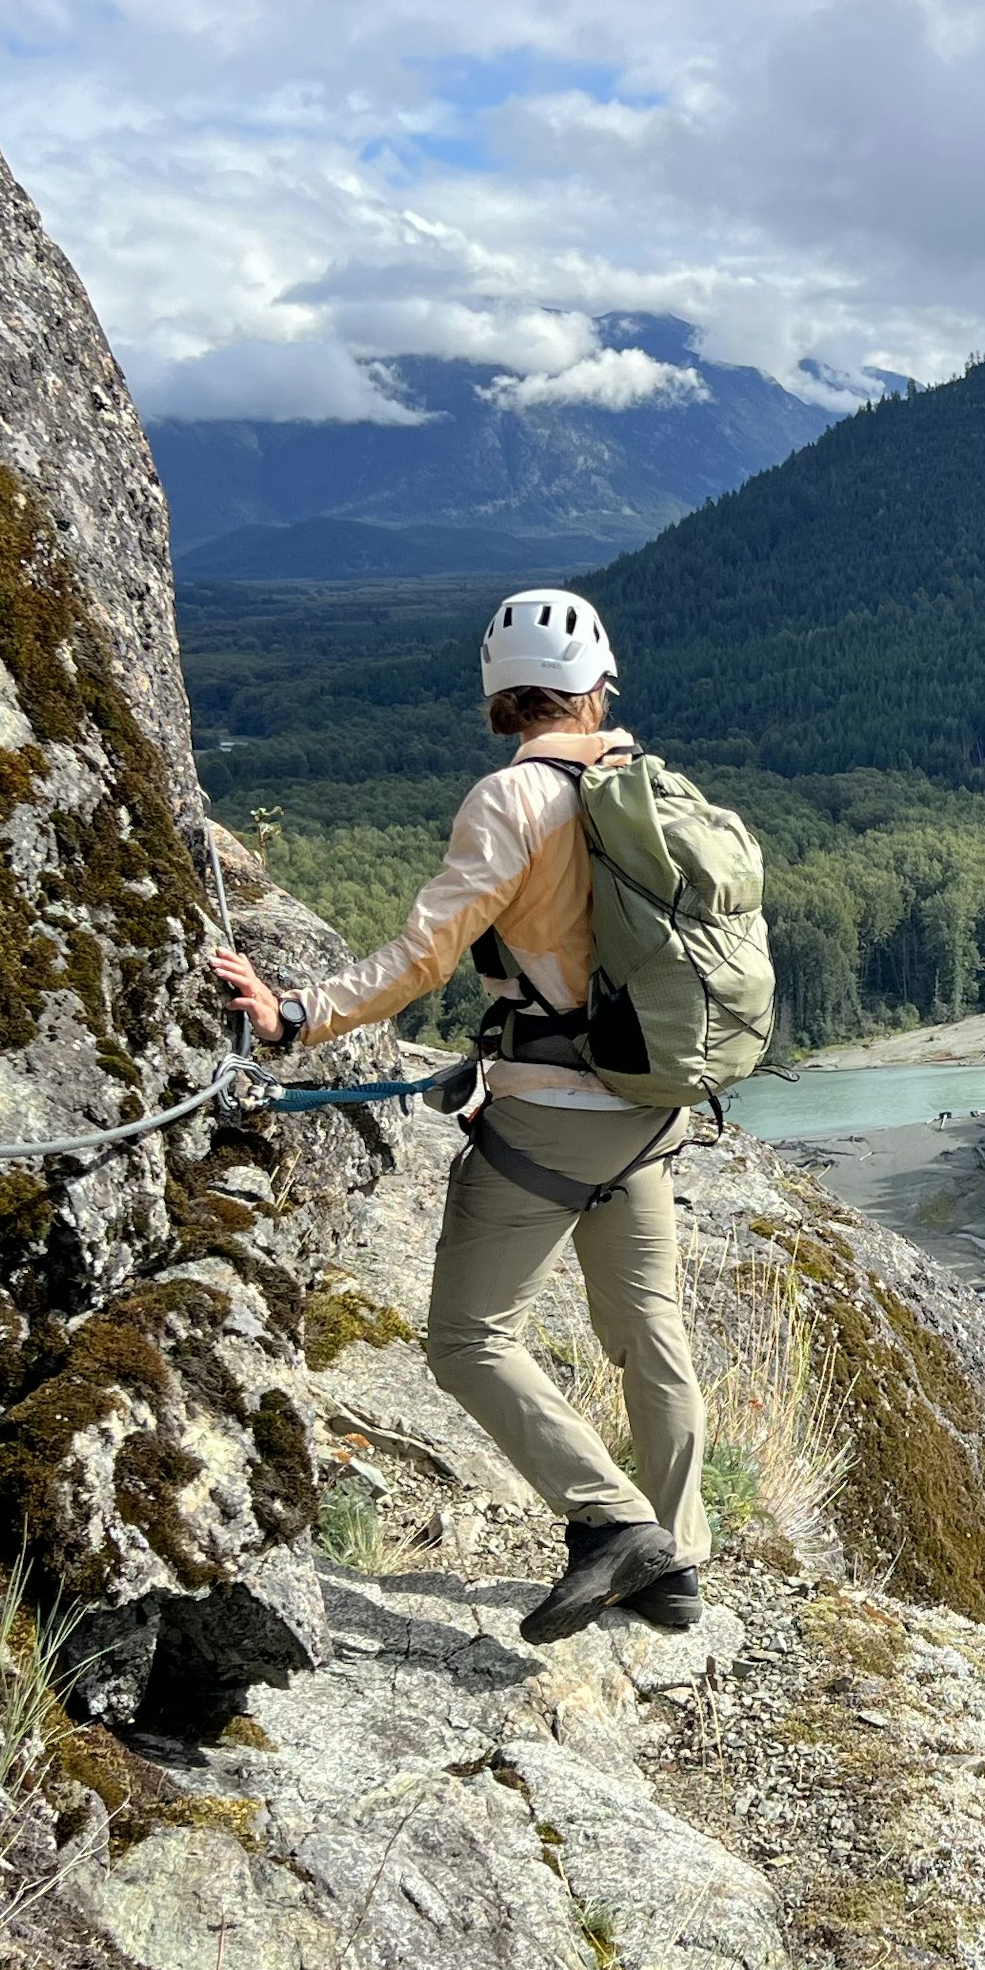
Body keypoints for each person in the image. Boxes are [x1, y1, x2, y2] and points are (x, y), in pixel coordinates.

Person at [208, 587, 706, 1645]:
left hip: (550, 1111)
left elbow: (427, 957)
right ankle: (678, 1559)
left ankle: (614, 1525)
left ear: (502, 692)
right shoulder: (651, 789)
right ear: (597, 684)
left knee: (468, 1338)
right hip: (652, 1108)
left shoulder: (512, 800)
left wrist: (295, 1014)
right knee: (649, 1334)